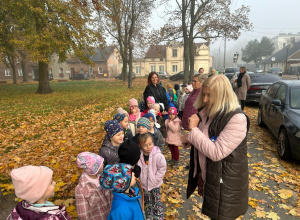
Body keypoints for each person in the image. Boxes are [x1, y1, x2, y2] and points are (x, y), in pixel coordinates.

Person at [181, 74, 250, 220]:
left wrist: (193, 131)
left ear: (222, 96)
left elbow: (216, 152)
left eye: (209, 95)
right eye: (203, 94)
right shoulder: (208, 112)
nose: (204, 99)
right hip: (211, 178)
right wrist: (190, 139)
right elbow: (205, 138)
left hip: (225, 185)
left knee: (221, 216)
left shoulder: (237, 118)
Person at [7, 166, 72, 220]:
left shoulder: (20, 207)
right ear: (39, 192)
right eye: (51, 183)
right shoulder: (51, 217)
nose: (54, 182)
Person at [137, 133, 166, 220]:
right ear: (140, 146)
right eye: (145, 145)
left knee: (156, 200)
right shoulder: (139, 156)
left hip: (155, 184)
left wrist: (156, 179)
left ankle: (159, 215)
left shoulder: (158, 155)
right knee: (148, 201)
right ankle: (150, 214)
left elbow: (162, 168)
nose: (149, 147)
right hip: (144, 185)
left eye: (150, 144)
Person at [75, 152, 113, 220]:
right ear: (94, 168)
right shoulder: (81, 189)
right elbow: (83, 215)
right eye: (100, 164)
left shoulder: (104, 177)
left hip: (111, 216)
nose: (103, 164)